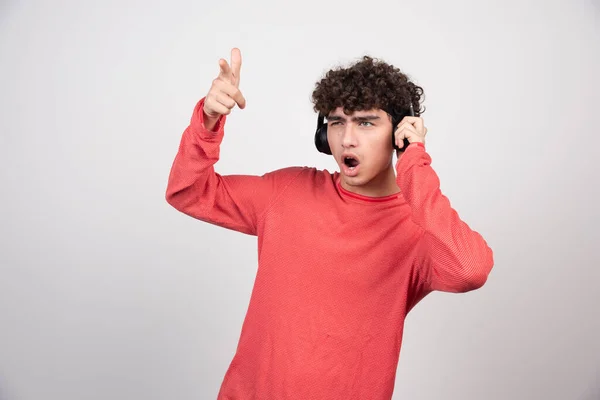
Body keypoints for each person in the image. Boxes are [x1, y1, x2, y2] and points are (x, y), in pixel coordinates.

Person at [165, 47, 494, 399]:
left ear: (399, 132)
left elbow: (470, 269)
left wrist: (413, 161)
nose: (347, 139)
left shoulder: (418, 227)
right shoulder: (288, 191)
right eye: (337, 122)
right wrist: (208, 121)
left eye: (366, 122)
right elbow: (189, 191)